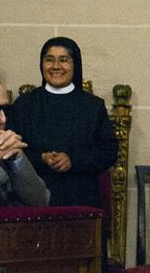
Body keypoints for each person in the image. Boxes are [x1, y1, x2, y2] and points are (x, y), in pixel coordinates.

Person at [8, 39, 118, 208]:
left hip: (81, 198)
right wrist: (41, 158)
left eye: (64, 60)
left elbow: (109, 152)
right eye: (49, 59)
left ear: (75, 65)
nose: (56, 66)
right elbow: (10, 150)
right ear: (42, 63)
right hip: (32, 199)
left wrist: (73, 160)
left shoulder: (93, 106)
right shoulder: (24, 105)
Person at [0, 75, 48, 206]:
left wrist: (17, 160)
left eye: (5, 110)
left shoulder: (4, 147)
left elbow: (40, 202)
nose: (2, 119)